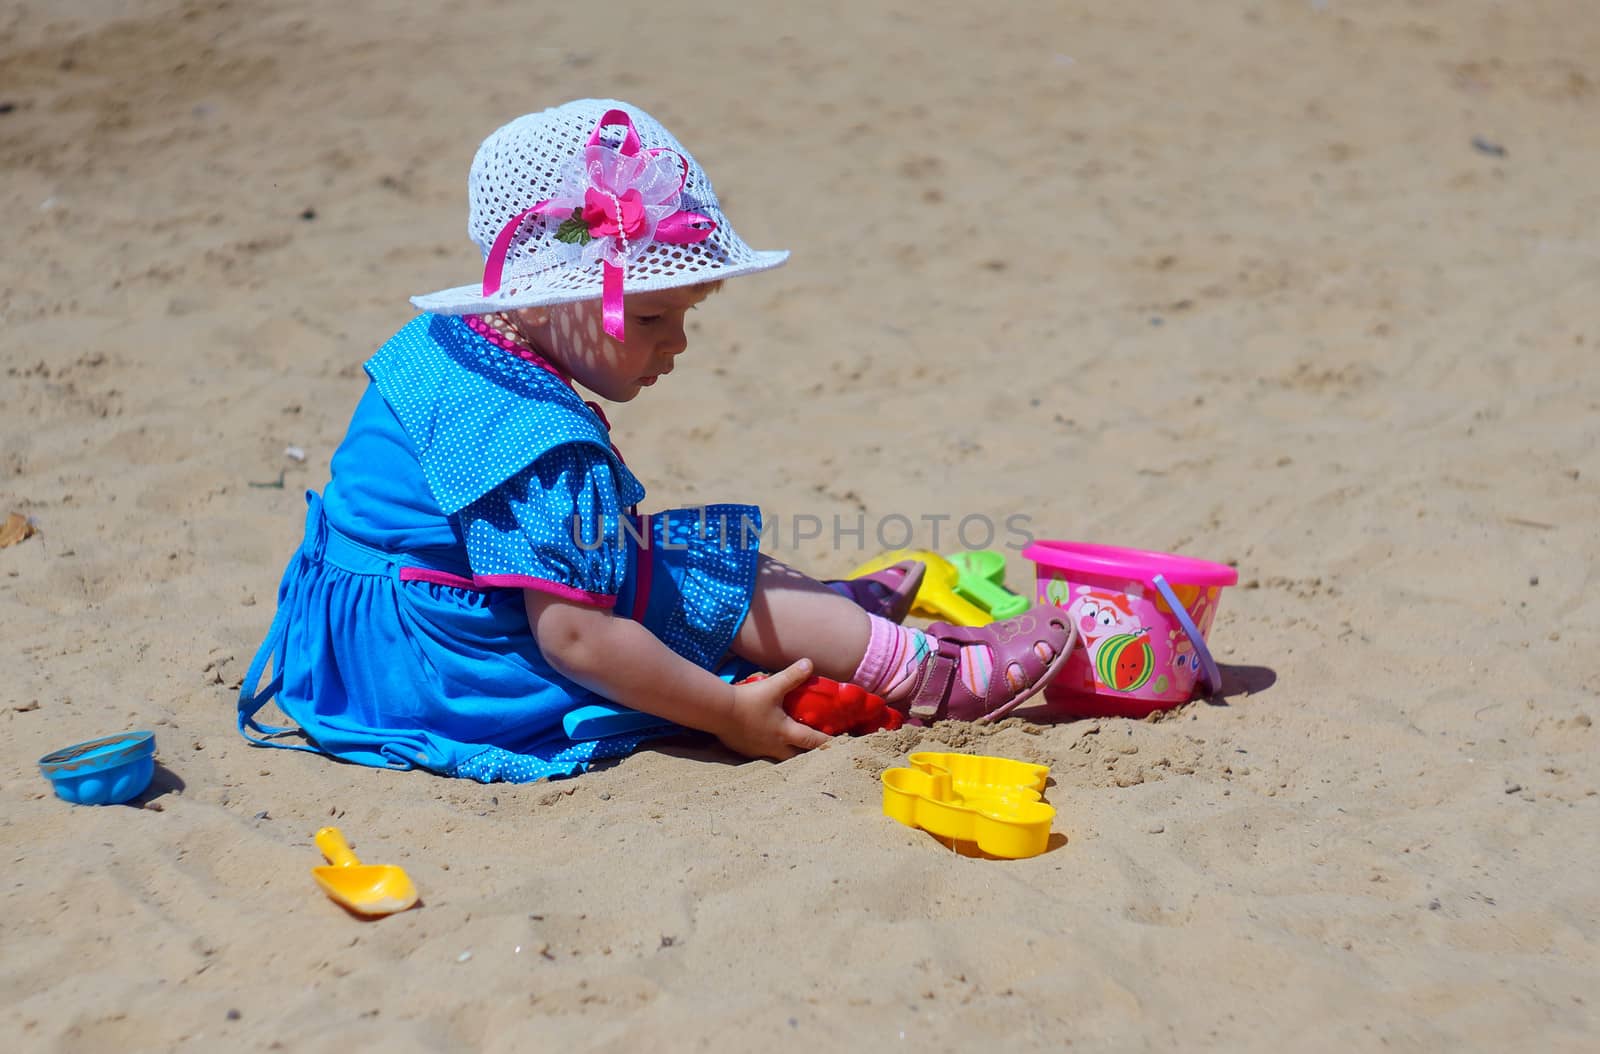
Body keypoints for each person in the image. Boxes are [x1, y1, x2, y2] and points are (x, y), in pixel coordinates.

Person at [237, 99, 1073, 784]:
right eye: (649, 317)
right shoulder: (539, 441)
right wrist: (724, 714)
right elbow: (576, 638)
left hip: (359, 637)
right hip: (442, 671)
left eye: (683, 316)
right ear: (543, 302)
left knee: (654, 547)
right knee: (700, 574)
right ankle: (929, 673)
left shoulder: (445, 346)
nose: (676, 344)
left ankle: (834, 613)